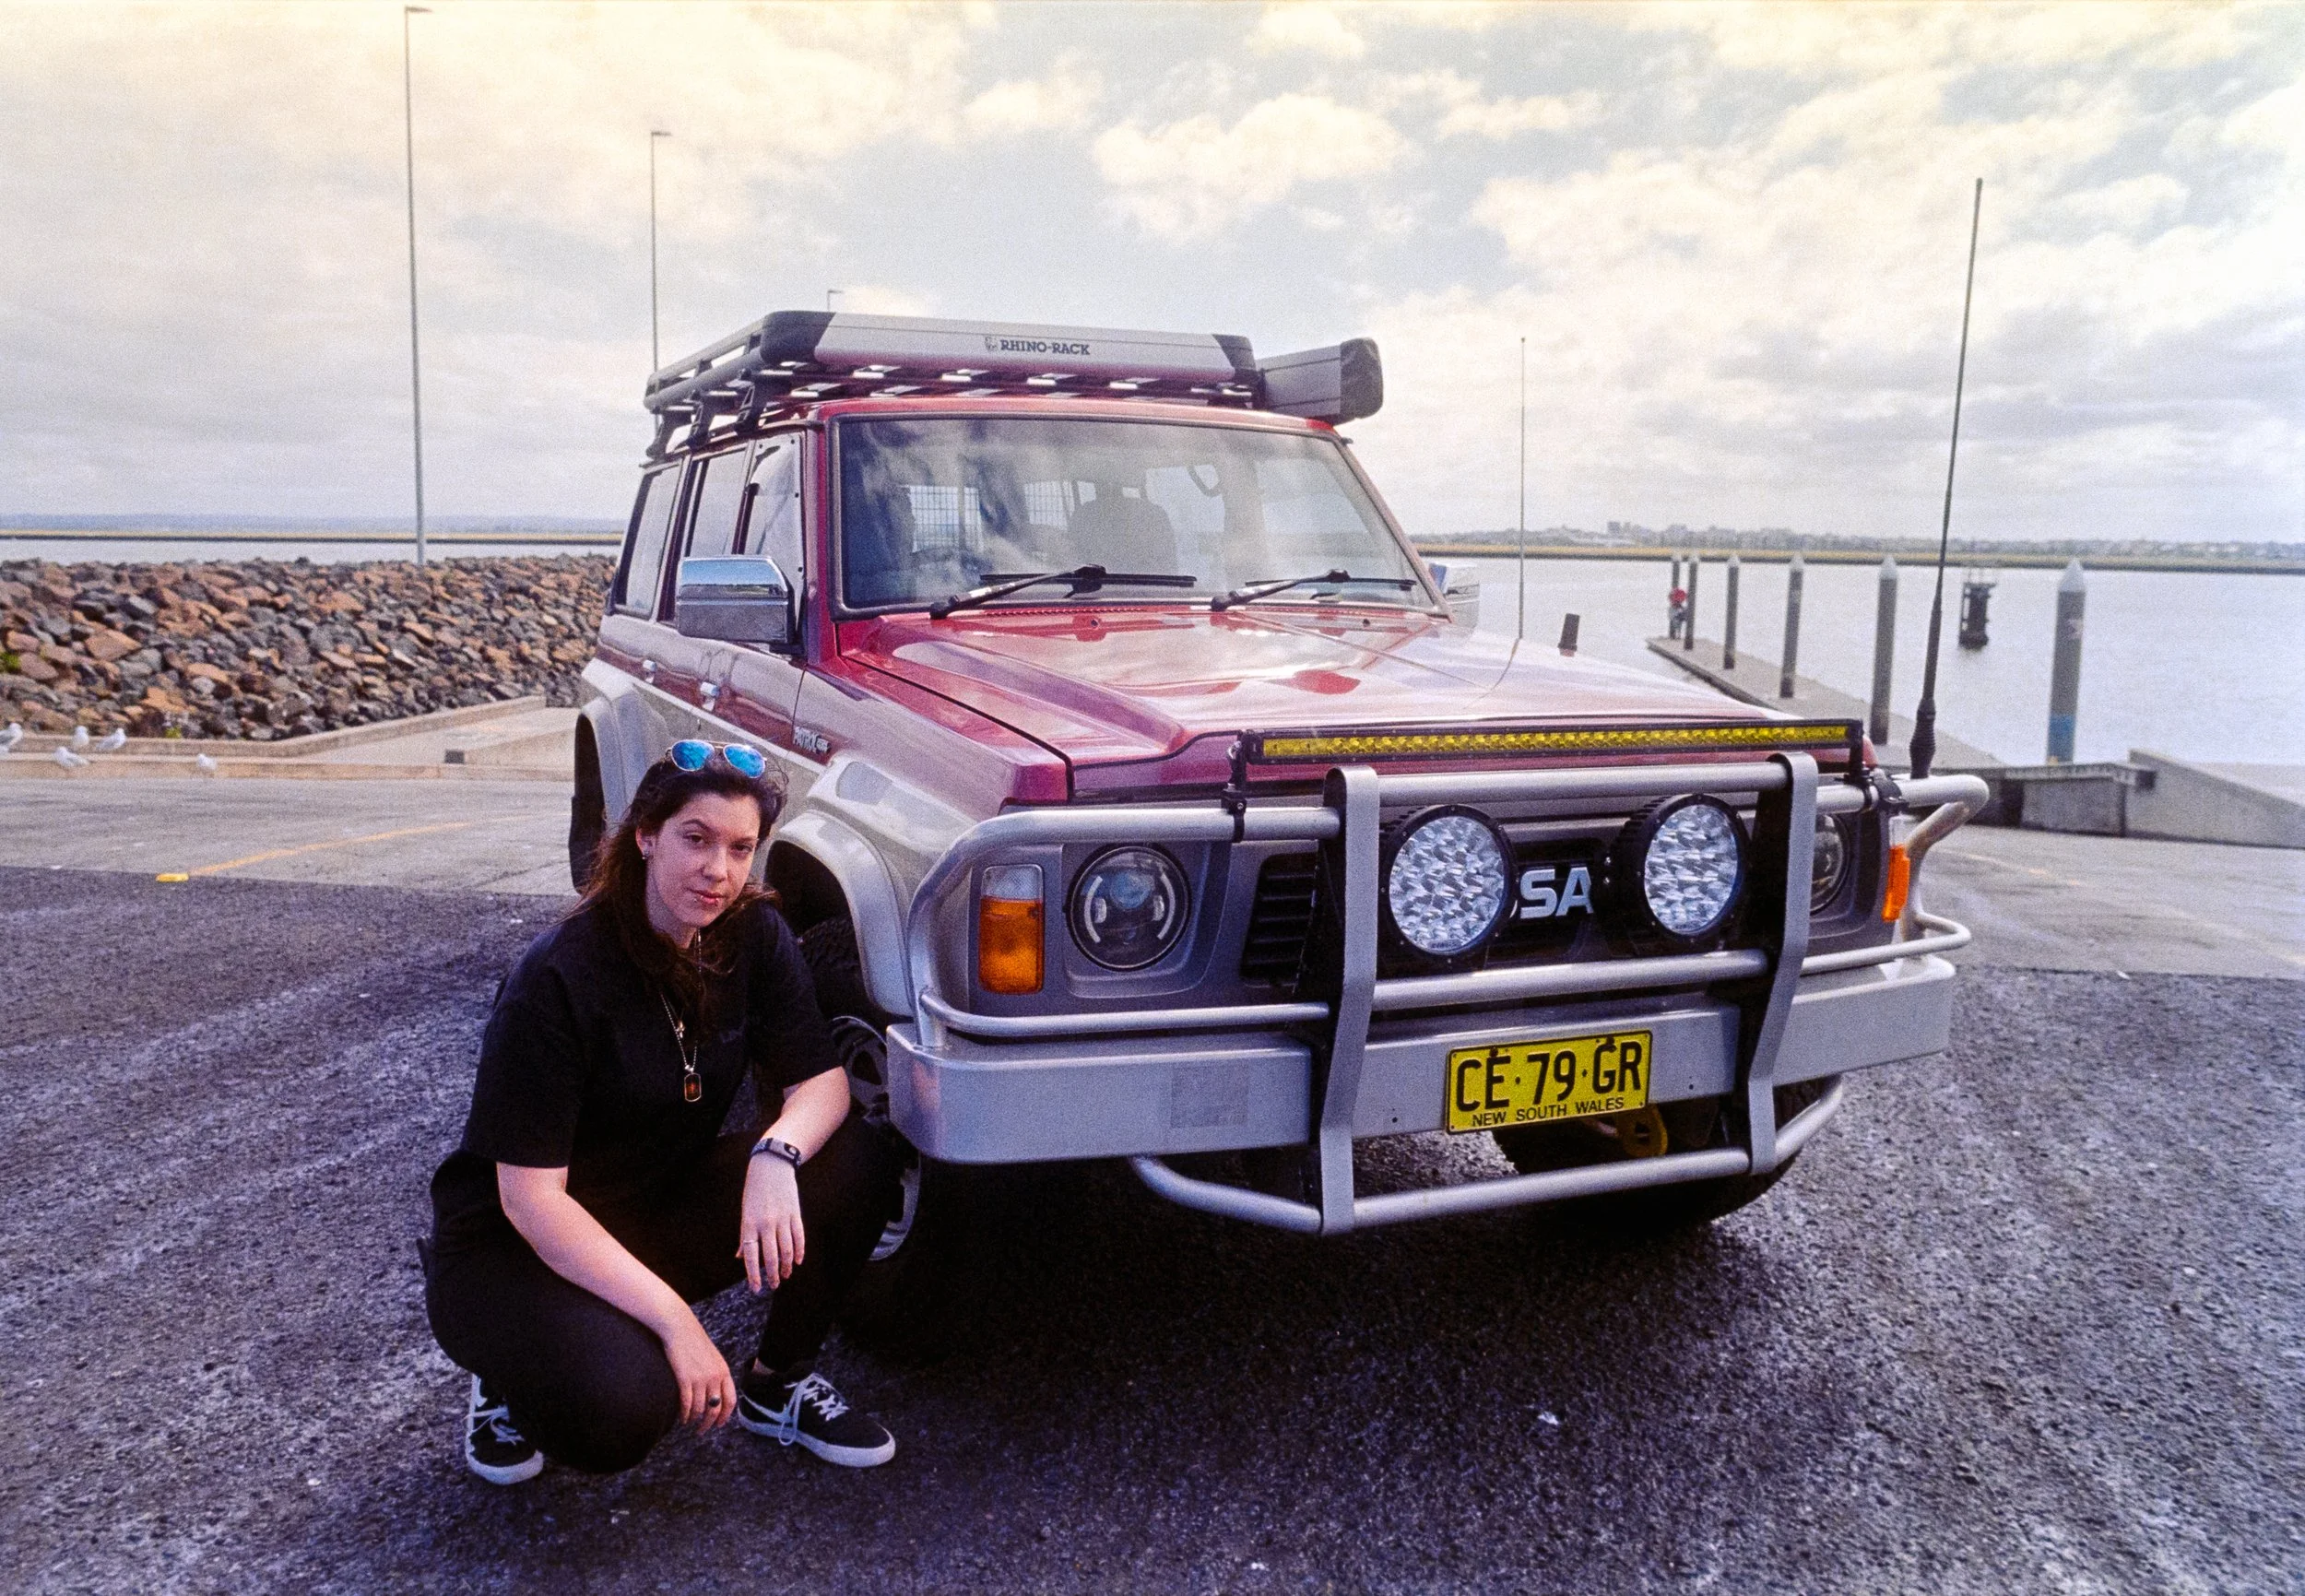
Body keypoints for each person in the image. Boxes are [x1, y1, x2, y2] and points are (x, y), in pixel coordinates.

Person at [423, 739, 904, 1484]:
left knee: (861, 1160)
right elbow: (530, 1198)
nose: (718, 869)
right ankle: (507, 1372)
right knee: (627, 1408)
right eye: (696, 839)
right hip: (510, 1250)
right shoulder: (559, 976)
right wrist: (677, 1321)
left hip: (647, 1209)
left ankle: (776, 1387)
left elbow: (824, 1083)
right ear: (645, 836)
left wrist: (776, 1158)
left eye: (741, 848)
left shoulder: (751, 935)